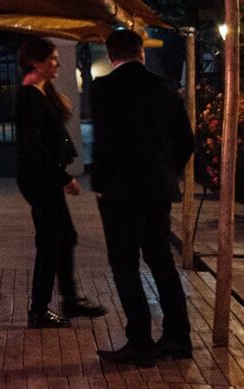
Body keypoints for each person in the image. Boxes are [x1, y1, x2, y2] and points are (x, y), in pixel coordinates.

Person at [90, 29, 195, 365]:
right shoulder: (165, 87)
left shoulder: (104, 88)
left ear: (111, 55)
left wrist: (101, 182)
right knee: (161, 261)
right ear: (141, 53)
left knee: (125, 265)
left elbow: (105, 142)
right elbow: (186, 141)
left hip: (120, 191)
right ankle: (178, 337)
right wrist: (166, 171)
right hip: (158, 189)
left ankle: (140, 340)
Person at [14, 38, 107, 329]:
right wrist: (63, 177)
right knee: (51, 241)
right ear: (36, 62)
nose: (58, 63)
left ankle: (70, 299)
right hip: (40, 179)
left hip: (44, 177)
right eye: (52, 58)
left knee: (65, 237)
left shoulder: (41, 92)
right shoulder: (29, 95)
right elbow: (31, 143)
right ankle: (39, 309)